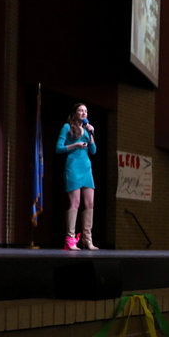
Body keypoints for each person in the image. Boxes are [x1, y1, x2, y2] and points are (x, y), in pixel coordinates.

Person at [55, 103, 97, 250]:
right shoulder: (67, 127)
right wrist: (75, 145)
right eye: (81, 110)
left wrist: (91, 134)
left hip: (86, 167)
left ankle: (87, 239)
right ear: (75, 113)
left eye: (86, 111)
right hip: (73, 165)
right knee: (75, 203)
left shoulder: (87, 129)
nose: (84, 113)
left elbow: (93, 150)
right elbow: (58, 148)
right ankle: (70, 239)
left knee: (90, 203)